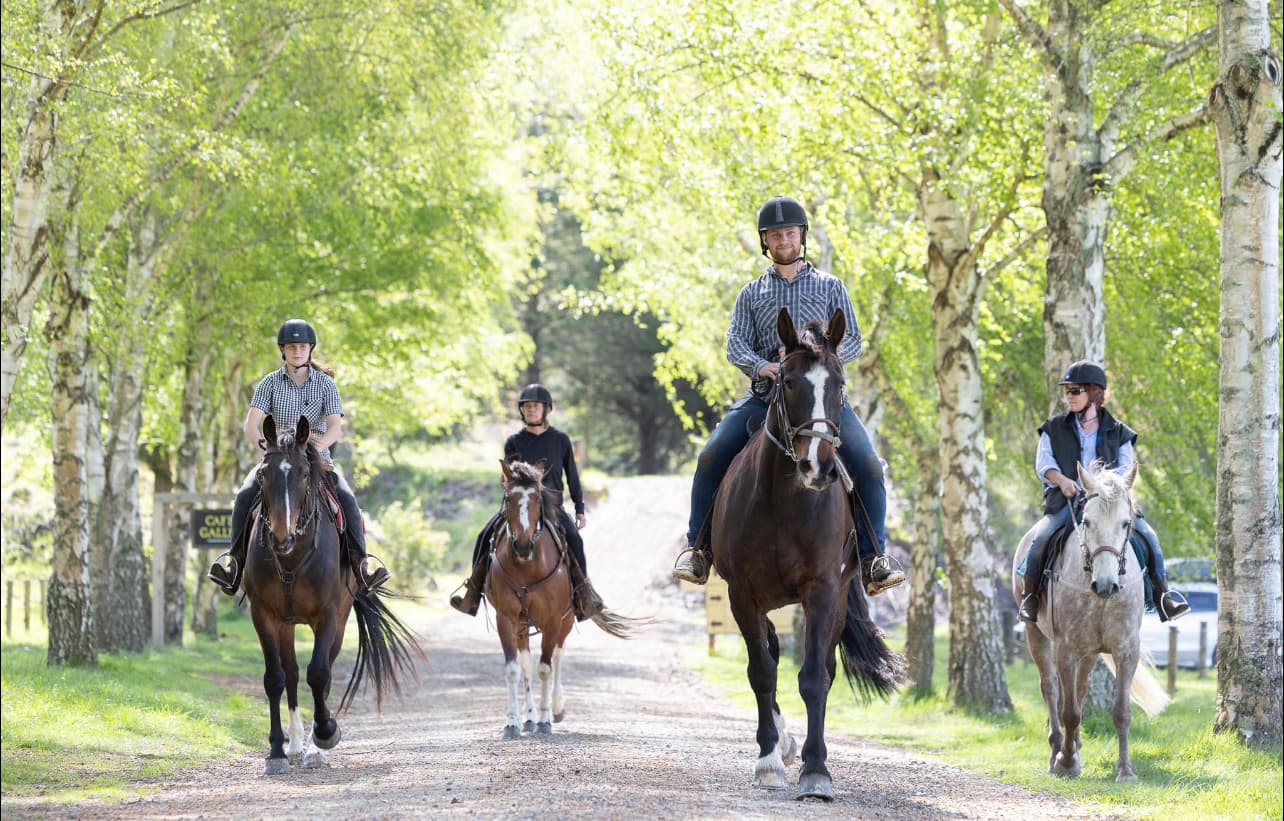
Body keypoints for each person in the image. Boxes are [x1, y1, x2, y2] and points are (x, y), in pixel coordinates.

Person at [672, 195, 905, 596]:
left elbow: (854, 341)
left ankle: (874, 558)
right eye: (776, 235)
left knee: (867, 464)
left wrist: (826, 359)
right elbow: (735, 344)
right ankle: (698, 548)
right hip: (767, 397)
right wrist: (762, 366)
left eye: (790, 232)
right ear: (766, 241)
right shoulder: (751, 294)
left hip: (822, 402)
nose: (784, 240)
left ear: (802, 236)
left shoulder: (831, 286)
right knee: (711, 454)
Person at [207, 319, 389, 595]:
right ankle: (234, 564)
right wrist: (266, 450)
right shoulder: (269, 383)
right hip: (277, 459)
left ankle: (362, 566)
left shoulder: (325, 385)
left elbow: (335, 427)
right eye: (292, 347)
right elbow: (250, 425)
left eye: (302, 346)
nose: (297, 351)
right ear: (283, 350)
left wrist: (317, 448)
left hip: (316, 460)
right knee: (244, 496)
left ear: (310, 349)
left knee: (348, 500)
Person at [1018, 360, 1189, 623]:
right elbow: (1044, 464)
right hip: (1067, 501)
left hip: (1110, 502)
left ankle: (1163, 596)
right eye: (1068, 391)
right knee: (1040, 539)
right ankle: (1031, 597)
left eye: (1076, 391)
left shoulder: (1119, 432)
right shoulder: (1052, 428)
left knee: (1149, 537)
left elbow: (1125, 467)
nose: (1069, 396)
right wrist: (1062, 481)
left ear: (1094, 393)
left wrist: (1108, 487)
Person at [450, 383, 607, 621]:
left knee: (575, 540)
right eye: (527, 406)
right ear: (522, 411)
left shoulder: (561, 440)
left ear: (546, 410)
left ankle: (584, 595)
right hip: (519, 504)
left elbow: (572, 477)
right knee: (484, 535)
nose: (531, 410)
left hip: (551, 505)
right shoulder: (514, 441)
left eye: (536, 406)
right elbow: (508, 476)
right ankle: (471, 595)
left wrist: (580, 509)